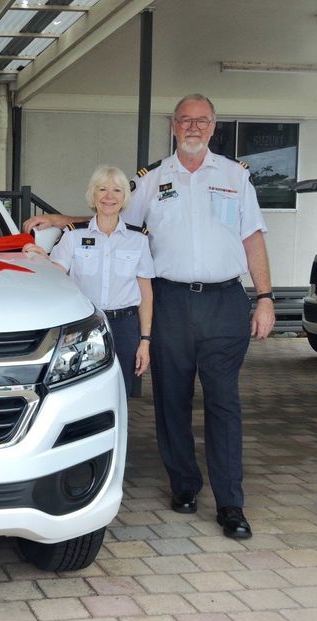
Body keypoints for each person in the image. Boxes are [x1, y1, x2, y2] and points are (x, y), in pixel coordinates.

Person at [23, 94, 275, 539]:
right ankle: (184, 486)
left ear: (213, 126)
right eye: (184, 121)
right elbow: (112, 217)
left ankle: (230, 503)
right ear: (173, 126)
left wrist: (267, 297)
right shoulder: (154, 180)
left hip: (224, 304)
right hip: (171, 302)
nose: (193, 127)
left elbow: (253, 238)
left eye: (201, 121)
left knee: (224, 402)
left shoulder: (236, 178)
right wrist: (65, 220)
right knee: (171, 401)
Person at [24, 165, 154, 397]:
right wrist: (41, 257)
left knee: (121, 393)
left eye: (116, 190)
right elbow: (57, 273)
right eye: (102, 189)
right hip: (85, 324)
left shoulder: (138, 239)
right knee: (83, 391)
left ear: (124, 197)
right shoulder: (74, 235)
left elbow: (146, 293)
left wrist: (145, 340)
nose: (109, 196)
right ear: (93, 195)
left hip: (124, 326)